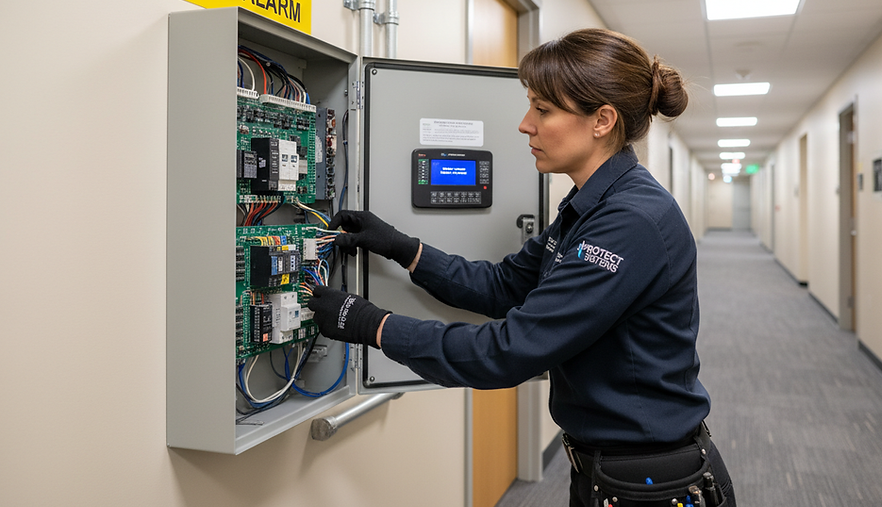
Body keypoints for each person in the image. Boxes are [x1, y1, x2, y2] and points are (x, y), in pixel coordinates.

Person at [308, 28, 736, 507]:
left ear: (602, 120)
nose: (524, 124)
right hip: (610, 472)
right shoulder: (590, 205)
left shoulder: (631, 220)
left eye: (543, 109)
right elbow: (503, 284)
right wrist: (403, 248)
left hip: (649, 483)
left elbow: (510, 351)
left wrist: (373, 324)